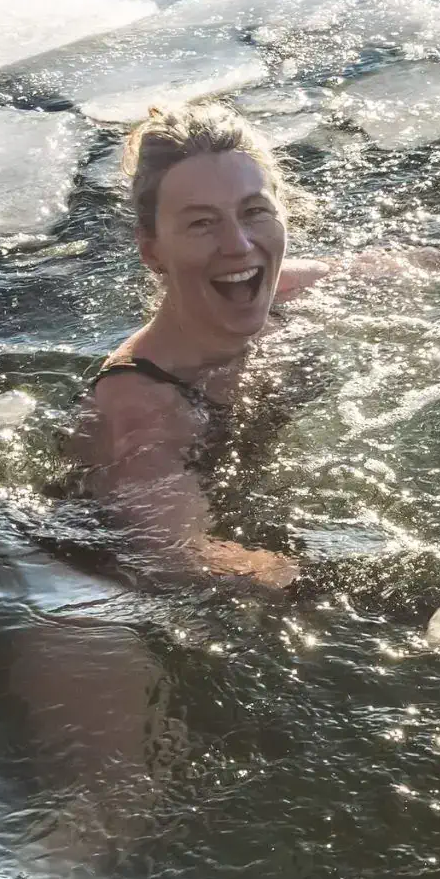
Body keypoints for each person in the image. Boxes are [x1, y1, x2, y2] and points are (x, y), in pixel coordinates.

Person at [73, 102, 319, 592]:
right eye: (202, 224)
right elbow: (183, 559)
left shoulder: (283, 290)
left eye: (254, 212)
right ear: (152, 251)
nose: (239, 245)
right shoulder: (140, 410)